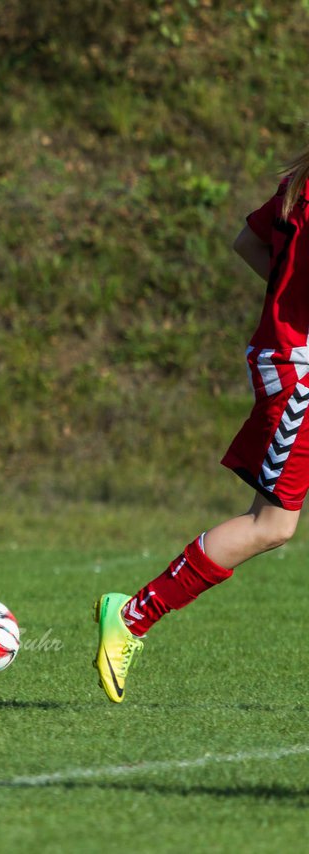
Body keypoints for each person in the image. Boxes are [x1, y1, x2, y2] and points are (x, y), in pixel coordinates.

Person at [93, 152, 309, 703]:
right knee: (271, 525)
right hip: (300, 370)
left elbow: (248, 242)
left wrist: (286, 299)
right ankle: (134, 615)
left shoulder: (300, 183)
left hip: (288, 353)